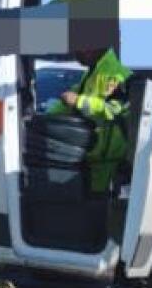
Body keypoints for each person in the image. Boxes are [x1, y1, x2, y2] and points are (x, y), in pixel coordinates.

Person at [46, 46, 132, 192]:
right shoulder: (92, 71)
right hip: (91, 156)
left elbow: (117, 109)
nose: (75, 54)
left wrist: (79, 101)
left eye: (77, 49)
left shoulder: (115, 69)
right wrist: (45, 116)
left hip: (109, 161)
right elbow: (68, 103)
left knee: (101, 206)